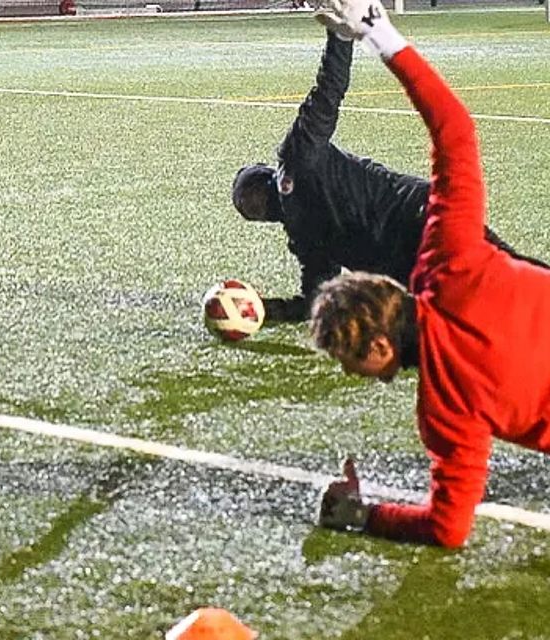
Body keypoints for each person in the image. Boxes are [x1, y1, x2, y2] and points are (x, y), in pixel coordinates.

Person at [310, 0, 550, 548]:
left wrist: (363, 515)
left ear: (377, 345)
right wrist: (380, 33)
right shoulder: (451, 256)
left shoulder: (445, 410)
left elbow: (448, 529)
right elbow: (455, 131)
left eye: (349, 361)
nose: (352, 375)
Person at [231, 26, 542, 322]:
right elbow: (328, 92)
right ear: (267, 173)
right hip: (420, 216)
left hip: (409, 266)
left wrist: (265, 309)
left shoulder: (305, 237)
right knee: (515, 280)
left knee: (491, 306)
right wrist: (340, 35)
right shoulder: (297, 159)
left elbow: (316, 301)